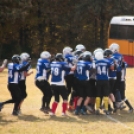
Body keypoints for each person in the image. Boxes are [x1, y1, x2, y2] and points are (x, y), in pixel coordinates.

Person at [94, 49, 114, 115]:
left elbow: (93, 70)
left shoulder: (95, 62)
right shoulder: (107, 61)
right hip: (105, 79)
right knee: (106, 95)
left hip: (98, 80)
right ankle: (106, 109)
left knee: (98, 95)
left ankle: (97, 108)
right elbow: (112, 68)